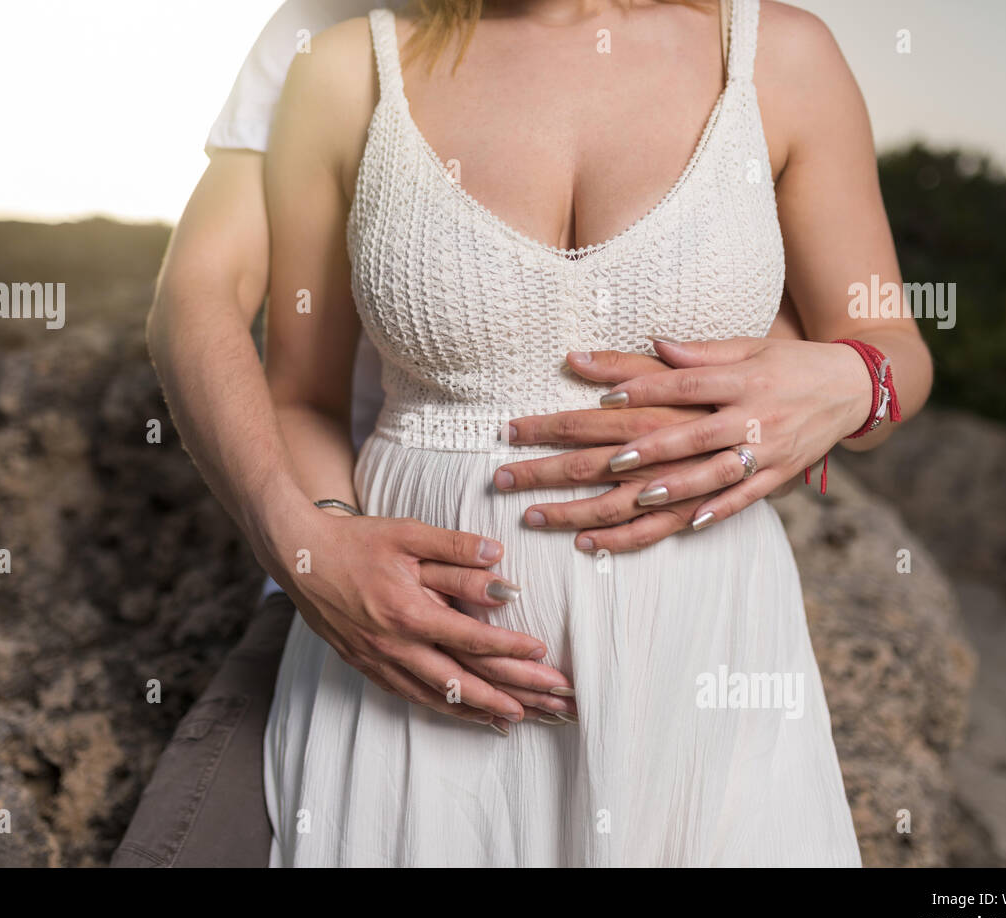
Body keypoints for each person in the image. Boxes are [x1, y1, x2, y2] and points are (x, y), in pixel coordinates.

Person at [259, 0, 929, 866]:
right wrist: (331, 546)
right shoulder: (347, 70)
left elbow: (892, 347)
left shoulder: (780, 54)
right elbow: (300, 395)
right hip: (412, 658)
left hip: (703, 654)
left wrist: (849, 384)